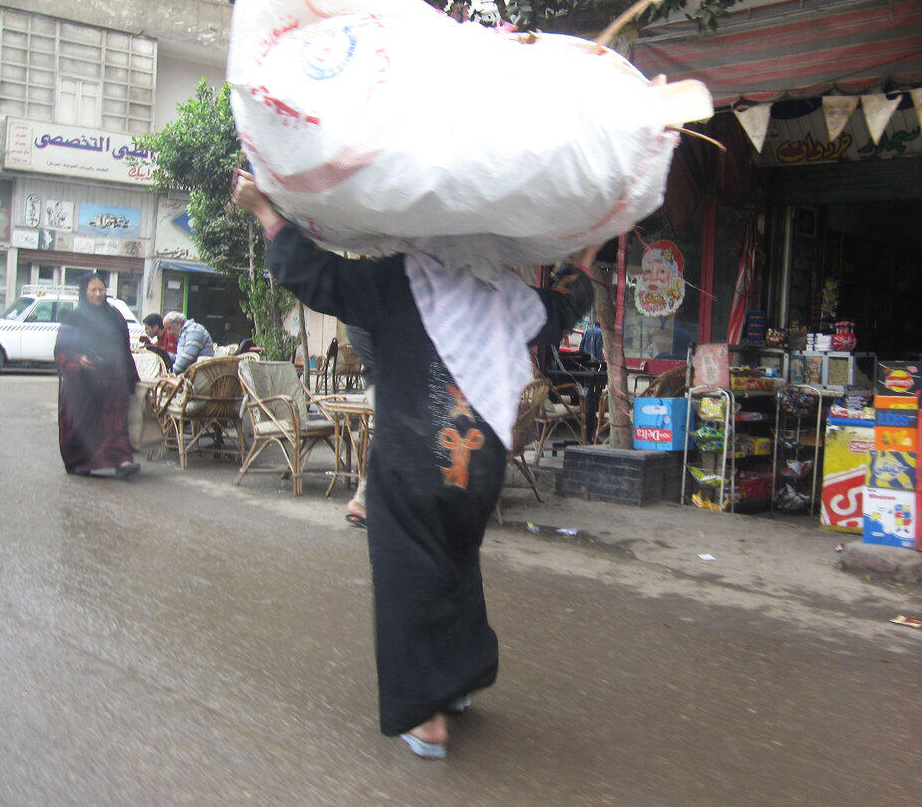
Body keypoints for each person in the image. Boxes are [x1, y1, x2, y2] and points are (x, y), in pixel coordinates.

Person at [232, 172, 597, 760]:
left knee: (407, 575)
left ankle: (425, 717)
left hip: (413, 460)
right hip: (479, 469)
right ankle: (454, 683)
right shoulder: (508, 293)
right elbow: (565, 306)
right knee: (455, 561)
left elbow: (315, 276)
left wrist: (262, 210)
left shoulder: (398, 280)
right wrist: (592, 245)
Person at [54, 272, 141, 479]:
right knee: (82, 425)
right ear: (84, 292)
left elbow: (124, 348)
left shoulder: (115, 317)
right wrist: (78, 360)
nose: (98, 294)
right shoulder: (73, 318)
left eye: (101, 289)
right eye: (93, 289)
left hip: (112, 381)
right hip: (82, 384)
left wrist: (131, 378)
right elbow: (61, 351)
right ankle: (80, 462)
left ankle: (122, 462)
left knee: (115, 424)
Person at [343, 323, 376, 530]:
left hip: (385, 378)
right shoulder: (359, 319)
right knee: (392, 431)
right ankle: (362, 501)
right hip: (385, 381)